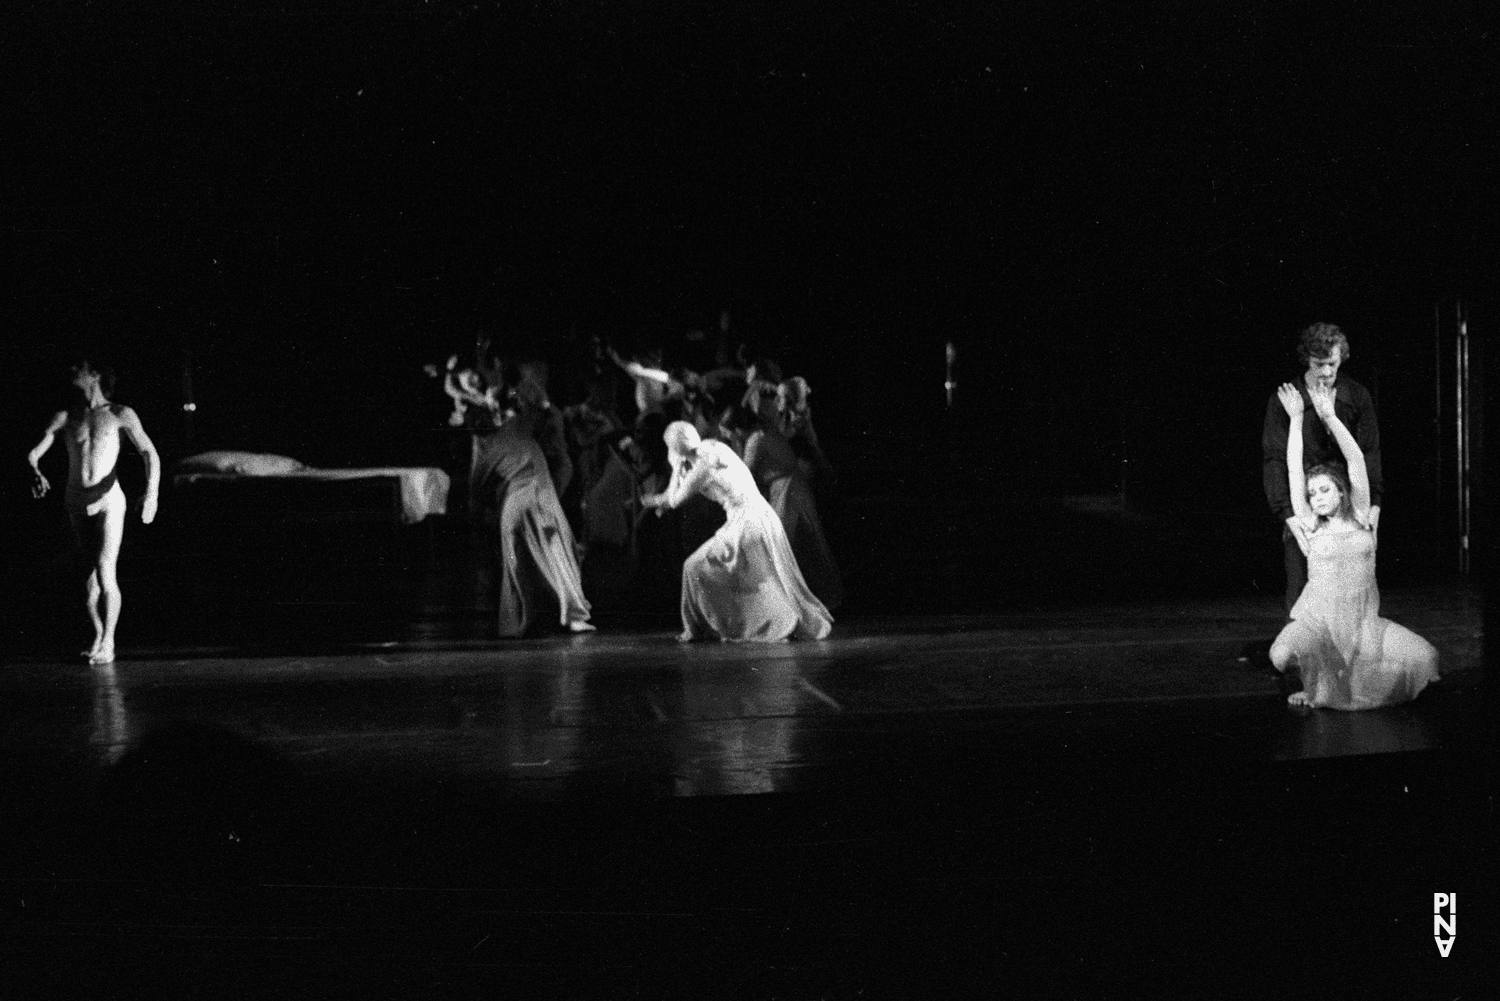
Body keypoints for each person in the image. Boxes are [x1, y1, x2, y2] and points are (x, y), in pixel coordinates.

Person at [1267, 381, 1438, 709]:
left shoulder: (1363, 517)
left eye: (1324, 490)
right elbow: (1292, 469)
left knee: (1425, 658)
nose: (1316, 498)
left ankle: (1334, 684)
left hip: (1364, 625)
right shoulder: (1311, 528)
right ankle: (1317, 680)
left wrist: (1330, 416)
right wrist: (1296, 421)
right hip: (1320, 623)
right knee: (1279, 656)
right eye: (1312, 493)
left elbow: (1357, 458)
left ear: (1342, 492)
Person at [642, 422, 831, 642]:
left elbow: (674, 501)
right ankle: (711, 626)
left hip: (747, 522)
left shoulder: (704, 465)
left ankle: (699, 629)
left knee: (693, 567)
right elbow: (672, 496)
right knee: (751, 579)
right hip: (761, 516)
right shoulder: (713, 446)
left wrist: (674, 470)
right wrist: (657, 499)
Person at [28, 359, 160, 664]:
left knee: (105, 568)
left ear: (95, 375)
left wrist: (151, 492)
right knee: (87, 580)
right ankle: (99, 635)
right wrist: (33, 468)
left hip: (109, 500)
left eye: (78, 368)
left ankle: (109, 641)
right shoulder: (66, 416)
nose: (71, 371)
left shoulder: (119, 414)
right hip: (75, 500)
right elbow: (34, 451)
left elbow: (148, 451)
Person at [1262, 323, 1382, 613]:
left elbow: (1366, 454)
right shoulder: (1288, 400)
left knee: (1354, 584)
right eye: (1319, 364)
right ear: (1307, 360)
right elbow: (1277, 459)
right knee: (1303, 583)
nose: (1327, 372)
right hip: (1305, 501)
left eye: (1333, 363)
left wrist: (1374, 503)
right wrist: (1287, 514)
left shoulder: (1356, 395)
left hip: (1347, 500)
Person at [471, 381, 594, 638]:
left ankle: (522, 618)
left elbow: (477, 496)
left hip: (515, 504)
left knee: (517, 561)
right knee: (557, 554)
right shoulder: (519, 431)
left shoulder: (489, 451)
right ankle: (572, 616)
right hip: (541, 495)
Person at [743, 378, 844, 610]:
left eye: (786, 398)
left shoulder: (797, 420)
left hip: (795, 486)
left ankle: (796, 598)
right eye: (781, 398)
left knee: (789, 541)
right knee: (793, 541)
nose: (781, 403)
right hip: (789, 485)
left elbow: (809, 450)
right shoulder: (778, 423)